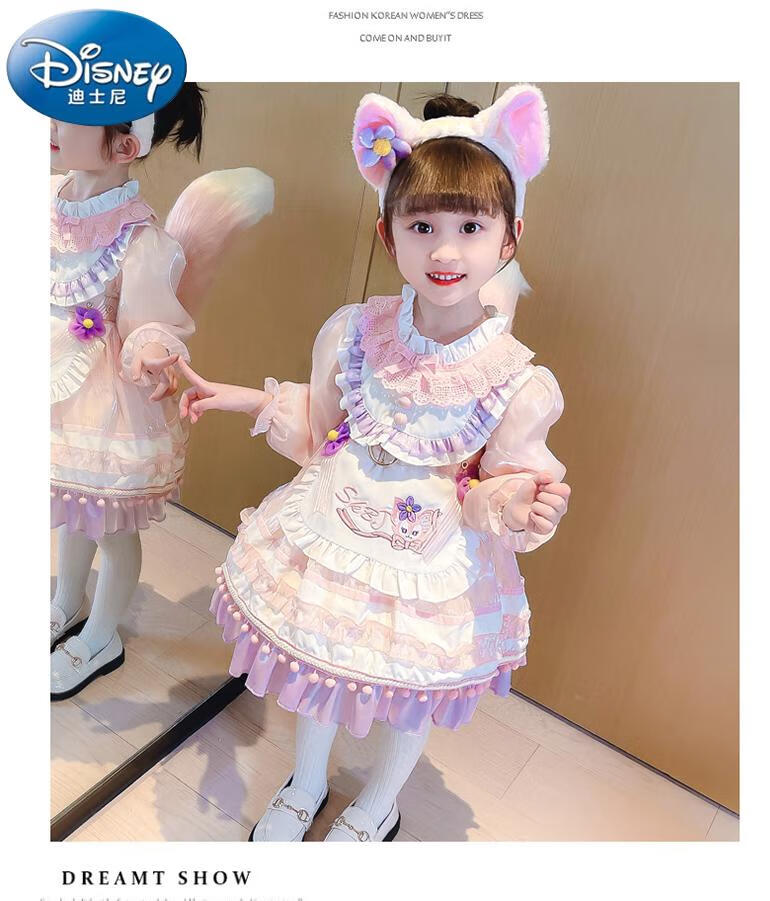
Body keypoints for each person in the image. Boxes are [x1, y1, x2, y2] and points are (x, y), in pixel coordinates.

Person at [178, 84, 571, 842]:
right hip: (337, 529)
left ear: (510, 237)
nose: (445, 251)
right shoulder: (355, 331)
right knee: (320, 666)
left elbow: (498, 490)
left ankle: (378, 802)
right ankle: (305, 782)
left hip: (435, 562)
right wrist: (240, 397)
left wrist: (519, 504)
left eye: (470, 226)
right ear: (390, 236)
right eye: (422, 225)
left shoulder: (517, 380)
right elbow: (323, 424)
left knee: (411, 693)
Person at [50, 84, 274, 700]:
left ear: (125, 146)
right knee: (71, 507)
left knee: (109, 524)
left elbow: (149, 318)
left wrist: (151, 348)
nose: (53, 125)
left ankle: (101, 635)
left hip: (103, 399)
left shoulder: (140, 239)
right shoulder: (47, 199)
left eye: (72, 119)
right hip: (50, 377)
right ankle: (65, 601)